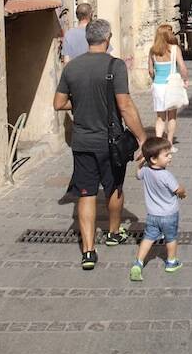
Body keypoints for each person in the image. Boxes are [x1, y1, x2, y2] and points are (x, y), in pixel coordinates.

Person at [54, 19, 147, 271]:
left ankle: (88, 251)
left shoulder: (72, 68)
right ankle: (113, 232)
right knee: (114, 186)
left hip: (82, 142)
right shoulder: (114, 66)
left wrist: (81, 102)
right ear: (107, 39)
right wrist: (142, 137)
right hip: (111, 142)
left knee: (86, 194)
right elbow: (125, 105)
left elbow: (59, 103)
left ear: (87, 39)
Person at [129, 136, 186, 281]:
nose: (170, 157)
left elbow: (137, 174)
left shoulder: (146, 172)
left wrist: (141, 163)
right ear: (154, 159)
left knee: (148, 238)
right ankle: (172, 262)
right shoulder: (166, 175)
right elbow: (177, 190)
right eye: (166, 155)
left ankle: (138, 263)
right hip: (169, 215)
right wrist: (183, 192)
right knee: (171, 238)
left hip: (152, 215)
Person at [148, 24, 189, 152]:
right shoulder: (174, 49)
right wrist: (185, 79)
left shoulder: (152, 51)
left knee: (160, 118)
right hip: (171, 86)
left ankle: (158, 144)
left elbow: (150, 70)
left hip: (158, 86)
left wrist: (155, 78)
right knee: (172, 116)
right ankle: (169, 144)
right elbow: (182, 66)